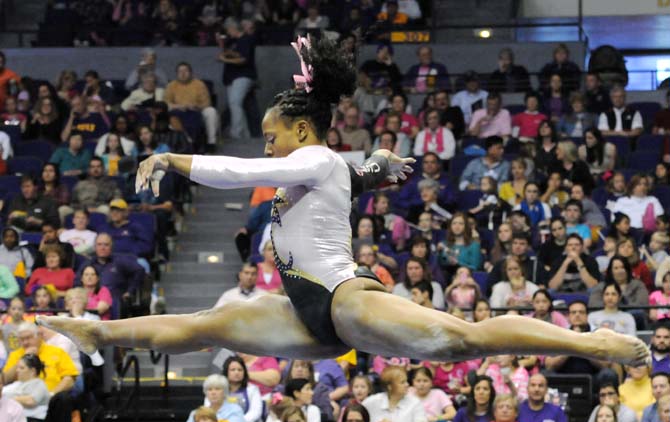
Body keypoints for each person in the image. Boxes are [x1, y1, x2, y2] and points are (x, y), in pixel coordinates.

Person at [40, 36, 649, 382]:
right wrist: (376, 170)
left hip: (341, 297)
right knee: (204, 325)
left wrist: (174, 159)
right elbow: (353, 175)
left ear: (303, 130)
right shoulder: (325, 167)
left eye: (274, 133)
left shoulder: (313, 159)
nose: (268, 142)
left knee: (463, 342)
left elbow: (250, 170)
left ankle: (592, 341)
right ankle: (100, 331)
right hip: (306, 312)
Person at [165, 62, 219, 150]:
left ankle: (211, 143)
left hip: (196, 110)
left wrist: (195, 106)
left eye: (185, 71)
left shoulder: (199, 84)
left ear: (191, 73)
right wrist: (178, 106)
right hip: (178, 111)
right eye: (180, 71)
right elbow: (166, 103)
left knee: (211, 111)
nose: (182, 73)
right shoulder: (171, 85)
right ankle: (179, 143)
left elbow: (206, 103)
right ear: (176, 74)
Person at [218, 18, 256, 142]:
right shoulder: (233, 41)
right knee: (235, 105)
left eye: (228, 30)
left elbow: (243, 59)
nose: (228, 33)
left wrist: (225, 60)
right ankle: (245, 134)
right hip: (230, 77)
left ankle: (236, 132)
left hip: (243, 75)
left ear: (233, 28)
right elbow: (231, 53)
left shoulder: (246, 39)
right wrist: (221, 44)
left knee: (235, 103)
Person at [223, 356, 263, 422]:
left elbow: (255, 412)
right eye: (233, 370)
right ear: (226, 372)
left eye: (240, 370)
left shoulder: (252, 389)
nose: (236, 372)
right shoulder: (218, 388)